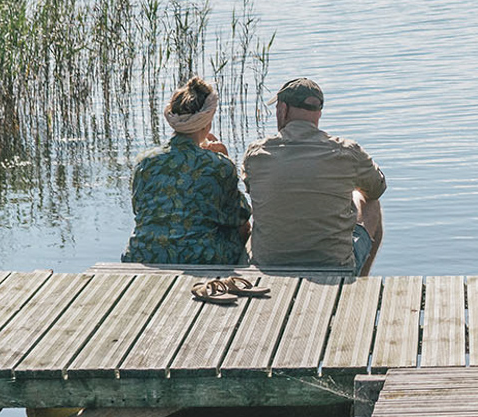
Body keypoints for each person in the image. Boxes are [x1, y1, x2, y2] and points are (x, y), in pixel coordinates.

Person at [242, 77, 386, 276]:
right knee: (370, 203)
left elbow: (252, 189)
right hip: (333, 267)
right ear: (318, 113)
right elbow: (377, 188)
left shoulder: (256, 153)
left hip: (268, 266)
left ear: (282, 109)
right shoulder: (347, 152)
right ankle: (356, 282)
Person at [121, 76, 251, 265]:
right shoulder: (219, 165)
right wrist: (224, 158)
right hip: (202, 259)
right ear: (208, 121)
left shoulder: (144, 161)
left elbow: (141, 211)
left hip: (142, 255)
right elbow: (239, 219)